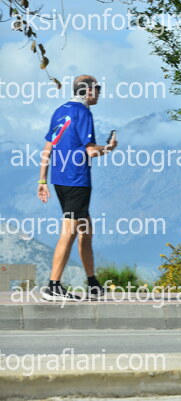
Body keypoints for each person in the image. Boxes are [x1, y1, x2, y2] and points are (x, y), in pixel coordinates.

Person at [37, 75, 118, 301]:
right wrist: (110, 148)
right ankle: (53, 286)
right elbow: (91, 151)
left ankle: (93, 284)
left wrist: (42, 181)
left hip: (60, 179)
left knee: (85, 231)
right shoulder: (83, 113)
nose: (99, 92)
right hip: (76, 181)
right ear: (87, 91)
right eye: (97, 88)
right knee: (69, 232)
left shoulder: (60, 111)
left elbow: (47, 147)